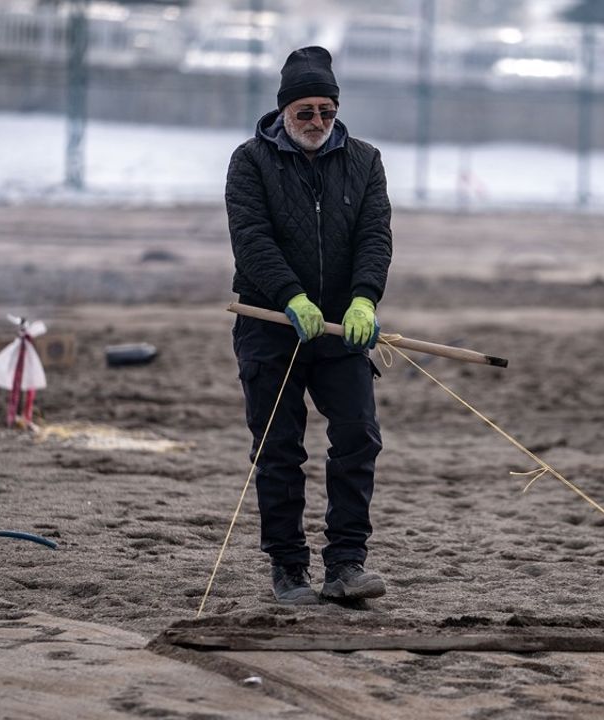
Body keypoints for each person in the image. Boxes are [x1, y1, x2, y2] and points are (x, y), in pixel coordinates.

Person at [225, 46, 393, 605]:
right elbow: (252, 241)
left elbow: (375, 238)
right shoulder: (249, 161)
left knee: (358, 439)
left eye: (327, 110)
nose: (318, 122)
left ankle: (346, 564)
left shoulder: (365, 160)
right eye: (305, 112)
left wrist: (365, 301)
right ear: (284, 114)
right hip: (271, 322)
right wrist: (292, 297)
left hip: (344, 328)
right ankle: (288, 568)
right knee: (277, 447)